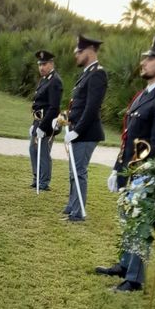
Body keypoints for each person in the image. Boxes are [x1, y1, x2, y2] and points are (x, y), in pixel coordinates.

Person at [96, 35, 155, 292]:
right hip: (129, 170)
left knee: (139, 225)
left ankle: (134, 280)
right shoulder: (143, 95)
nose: (143, 62)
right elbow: (128, 137)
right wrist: (117, 168)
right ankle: (125, 265)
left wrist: (141, 176)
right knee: (127, 220)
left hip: (145, 174)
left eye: (150, 58)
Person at [61, 34, 108, 223]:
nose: (76, 55)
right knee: (74, 170)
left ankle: (78, 211)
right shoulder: (88, 73)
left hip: (87, 133)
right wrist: (67, 118)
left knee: (79, 171)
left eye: (79, 52)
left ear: (89, 51)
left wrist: (77, 130)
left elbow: (91, 108)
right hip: (80, 129)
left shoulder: (98, 74)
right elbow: (79, 105)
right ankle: (73, 204)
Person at [29, 50, 63, 191]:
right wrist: (34, 124)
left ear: (51, 64)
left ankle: (44, 182)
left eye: (44, 64)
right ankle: (37, 177)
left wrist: (42, 127)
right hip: (38, 120)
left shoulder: (55, 81)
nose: (41, 67)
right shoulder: (44, 79)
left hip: (48, 122)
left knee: (43, 152)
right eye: (39, 64)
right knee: (33, 150)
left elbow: (54, 108)